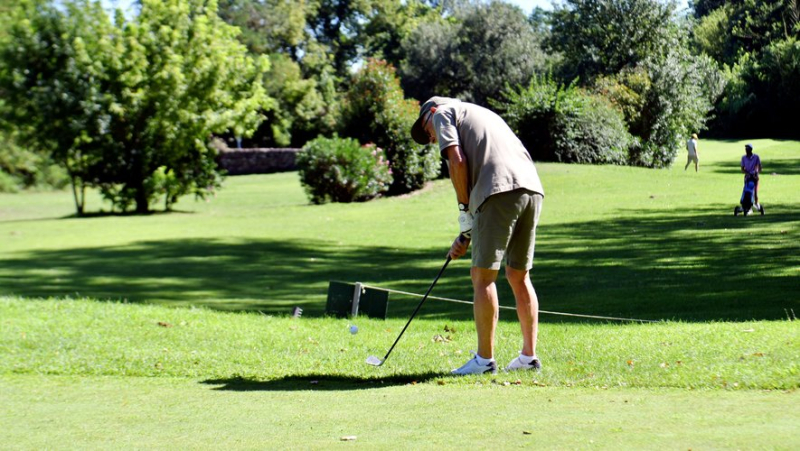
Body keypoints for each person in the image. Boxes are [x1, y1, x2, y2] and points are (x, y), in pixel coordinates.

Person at [410, 96, 545, 375]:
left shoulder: (441, 112)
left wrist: (463, 211)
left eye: (428, 134)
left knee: (482, 277)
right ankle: (528, 357)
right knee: (519, 275)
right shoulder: (478, 112)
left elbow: (457, 160)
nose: (432, 139)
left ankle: (484, 361)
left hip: (498, 189)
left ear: (429, 115)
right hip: (531, 189)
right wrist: (466, 232)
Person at [741, 143, 762, 208]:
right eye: (746, 149)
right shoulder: (743, 158)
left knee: (755, 192)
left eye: (748, 149)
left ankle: (756, 203)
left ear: (751, 150)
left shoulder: (756, 157)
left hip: (755, 177)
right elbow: (742, 169)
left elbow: (760, 167)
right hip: (748, 177)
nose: (746, 150)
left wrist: (756, 173)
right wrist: (747, 173)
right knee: (746, 191)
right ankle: (746, 206)